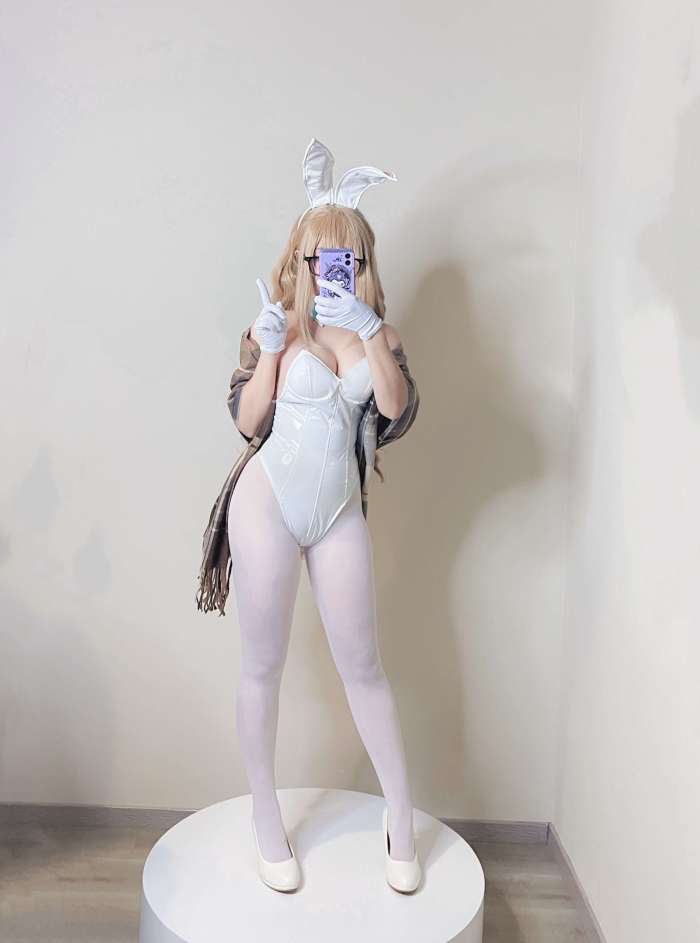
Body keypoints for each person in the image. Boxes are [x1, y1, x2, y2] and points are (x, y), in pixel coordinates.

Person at [215, 139, 422, 893]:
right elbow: (248, 421)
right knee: (262, 663)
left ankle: (401, 817)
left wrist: (367, 329)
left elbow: (394, 409)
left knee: (363, 666)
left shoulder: (379, 334)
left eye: (344, 257)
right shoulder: (275, 325)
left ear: (361, 261)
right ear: (299, 258)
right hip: (267, 501)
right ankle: (265, 813)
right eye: (317, 256)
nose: (329, 268)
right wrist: (270, 350)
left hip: (336, 510)